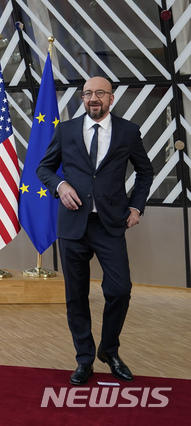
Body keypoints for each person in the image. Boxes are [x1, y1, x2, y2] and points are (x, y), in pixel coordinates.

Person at [37, 76, 154, 385]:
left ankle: (109, 349)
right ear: (82, 98)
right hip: (72, 225)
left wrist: (136, 206)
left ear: (111, 98)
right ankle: (84, 359)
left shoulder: (128, 132)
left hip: (109, 225)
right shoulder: (66, 130)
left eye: (99, 93)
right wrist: (60, 186)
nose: (93, 98)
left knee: (119, 290)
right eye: (88, 93)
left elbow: (145, 172)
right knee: (76, 296)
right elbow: (44, 168)